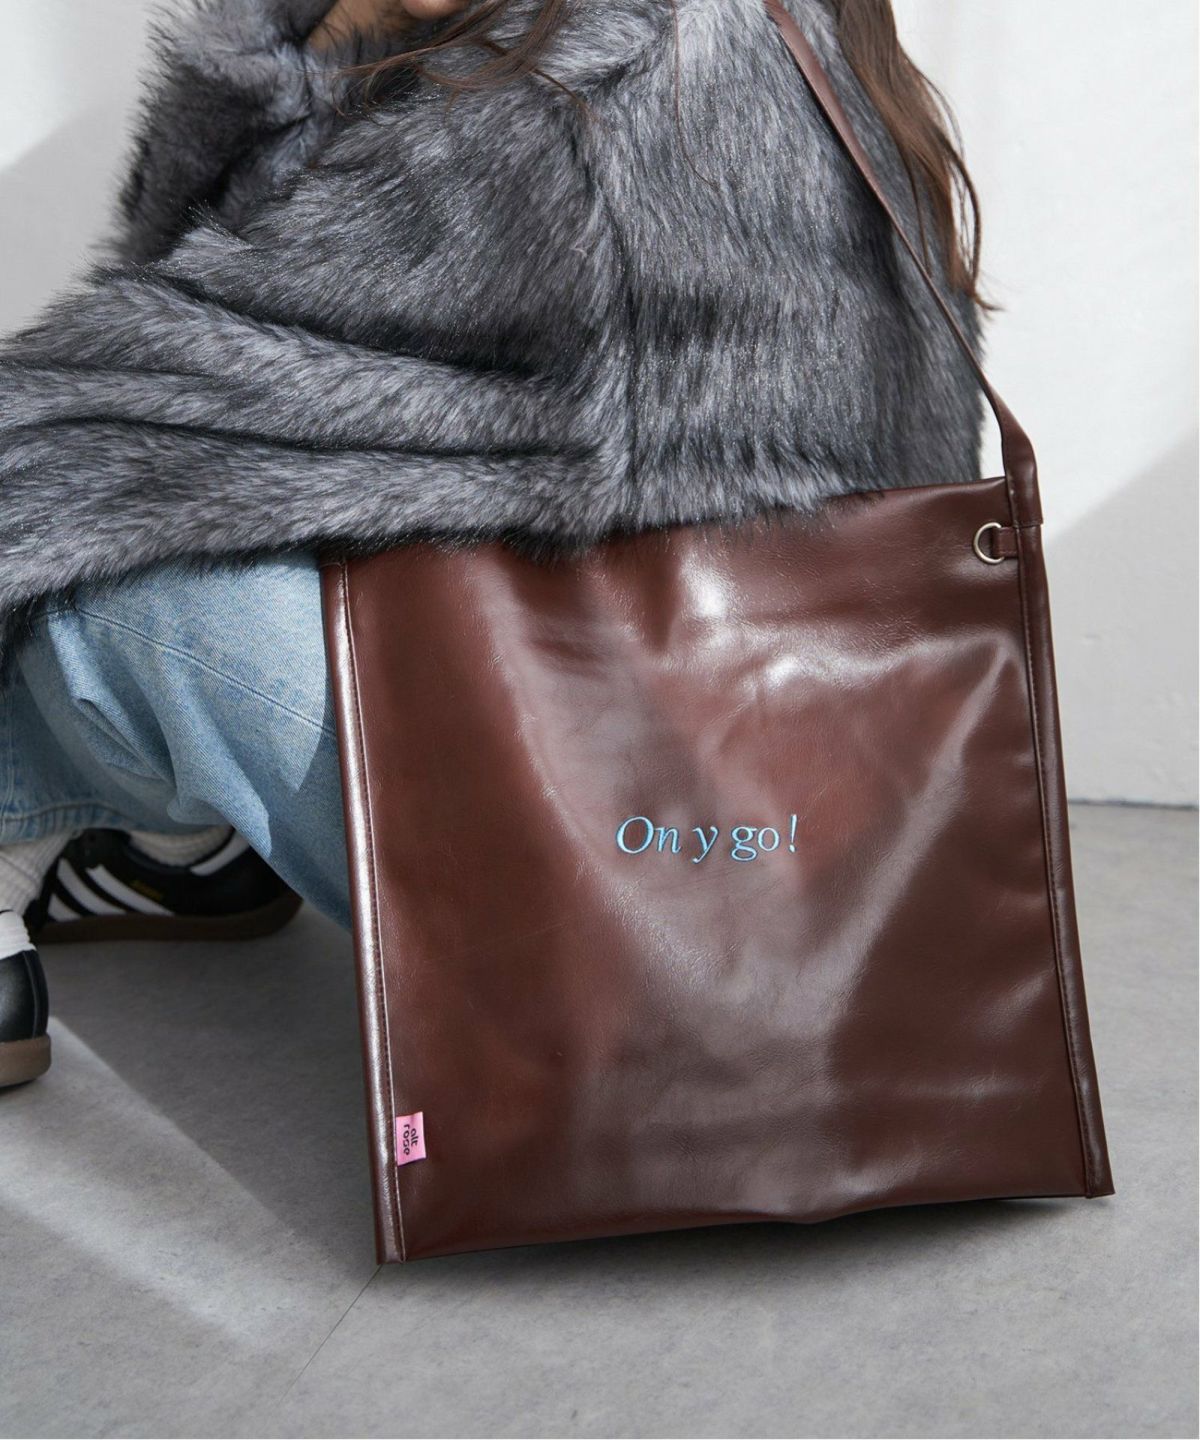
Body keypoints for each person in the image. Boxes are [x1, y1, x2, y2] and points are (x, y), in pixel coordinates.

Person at [0, 0, 986, 1086]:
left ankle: (69, 847)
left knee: (108, 563)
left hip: (631, 892)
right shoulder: (810, 42)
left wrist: (297, 47)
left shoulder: (586, 93)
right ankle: (180, 851)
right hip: (836, 840)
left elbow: (157, 371)